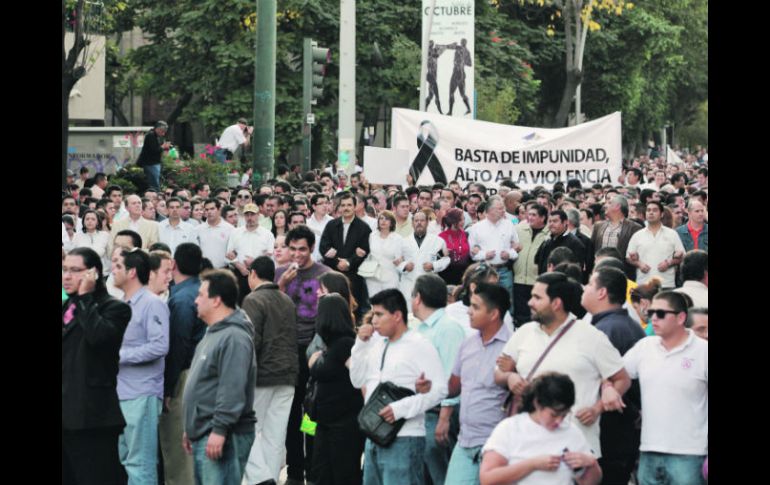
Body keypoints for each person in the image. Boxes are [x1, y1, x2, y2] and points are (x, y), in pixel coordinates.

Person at [495, 272, 631, 460]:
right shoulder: (524, 333)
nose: (529, 302)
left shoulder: (591, 336)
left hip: (576, 448)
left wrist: (597, 409)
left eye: (537, 297)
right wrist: (510, 378)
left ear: (556, 303)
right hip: (528, 446)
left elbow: (622, 379)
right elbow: (498, 373)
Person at [349, 289, 448, 485]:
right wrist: (360, 344)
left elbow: (440, 390)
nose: (374, 321)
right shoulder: (375, 344)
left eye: (379, 314)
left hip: (405, 438)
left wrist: (401, 409)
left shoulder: (419, 344)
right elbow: (357, 380)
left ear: (397, 315)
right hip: (373, 436)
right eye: (373, 314)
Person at [623, 291, 708, 485]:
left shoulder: (703, 352)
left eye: (661, 313)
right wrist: (610, 388)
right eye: (651, 312)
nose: (654, 318)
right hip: (649, 450)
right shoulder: (644, 347)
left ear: (680, 317)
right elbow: (617, 375)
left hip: (690, 454)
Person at [63, 247, 132, 485]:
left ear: (93, 273)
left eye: (75, 270)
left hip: (93, 417)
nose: (67, 276)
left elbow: (99, 337)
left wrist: (85, 298)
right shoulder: (66, 307)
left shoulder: (114, 308)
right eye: (64, 270)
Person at [182, 270, 257, 485]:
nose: (195, 300)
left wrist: (220, 430)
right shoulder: (212, 332)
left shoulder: (234, 337)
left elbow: (231, 388)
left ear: (216, 301)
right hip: (204, 431)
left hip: (222, 435)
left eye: (201, 295)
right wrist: (190, 428)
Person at [275, 225, 332, 484]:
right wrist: (283, 284)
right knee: (290, 414)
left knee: (309, 413)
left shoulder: (324, 274)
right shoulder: (280, 274)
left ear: (311, 249)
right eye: (293, 249)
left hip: (312, 351)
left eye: (302, 249)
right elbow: (271, 308)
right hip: (287, 352)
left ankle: (311, 469)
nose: (297, 254)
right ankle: (295, 470)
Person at [442, 282, 512, 485]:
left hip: (497, 445)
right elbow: (453, 388)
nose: (469, 312)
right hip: (465, 441)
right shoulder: (468, 344)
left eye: (476, 307)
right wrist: (429, 387)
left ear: (494, 314)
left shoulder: (513, 347)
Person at [580, 267, 645, 484]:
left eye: (589, 284)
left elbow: (613, 381)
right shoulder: (623, 325)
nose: (584, 288)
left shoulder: (608, 331)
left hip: (611, 435)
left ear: (602, 293)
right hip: (622, 436)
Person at [479, 373, 602, 485]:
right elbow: (488, 479)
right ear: (538, 404)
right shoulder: (510, 428)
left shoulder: (572, 431)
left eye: (564, 415)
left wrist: (590, 464)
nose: (559, 421)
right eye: (553, 415)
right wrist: (533, 464)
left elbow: (591, 482)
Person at [113, 248, 170, 485]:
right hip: (121, 392)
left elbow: (159, 346)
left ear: (132, 272)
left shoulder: (152, 303)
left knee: (141, 464)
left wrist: (120, 356)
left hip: (142, 393)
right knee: (125, 459)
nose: (113, 271)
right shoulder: (120, 304)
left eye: (117, 266)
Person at [242, 257, 299, 485]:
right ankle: (271, 478)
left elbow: (251, 341)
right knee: (276, 435)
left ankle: (259, 479)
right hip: (287, 373)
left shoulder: (253, 300)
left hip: (261, 375)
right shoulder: (286, 300)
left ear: (253, 273)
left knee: (248, 430)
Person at [409, 273, 466, 485]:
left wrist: (443, 419)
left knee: (441, 474)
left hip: (440, 413)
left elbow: (452, 376)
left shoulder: (447, 328)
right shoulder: (422, 328)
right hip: (423, 411)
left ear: (418, 298)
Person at [159, 243, 208, 485]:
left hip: (185, 375)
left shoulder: (181, 299)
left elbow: (178, 345)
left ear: (174, 265)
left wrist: (168, 388)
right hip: (204, 373)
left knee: (179, 449)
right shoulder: (202, 290)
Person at [307, 294, 366, 485]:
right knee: (320, 472)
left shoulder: (346, 345)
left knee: (343, 474)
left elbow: (360, 377)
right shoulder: (330, 345)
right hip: (322, 421)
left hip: (343, 424)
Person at [320, 191, 373, 322]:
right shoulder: (332, 225)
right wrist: (337, 262)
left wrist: (349, 262)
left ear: (355, 207)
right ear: (339, 208)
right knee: (331, 308)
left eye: (349, 205)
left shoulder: (363, 228)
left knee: (352, 309)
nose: (346, 208)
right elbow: (324, 247)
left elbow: (365, 251)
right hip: (333, 273)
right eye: (343, 205)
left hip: (354, 276)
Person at [468, 195, 520, 310]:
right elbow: (472, 254)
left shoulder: (509, 225)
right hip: (484, 270)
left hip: (504, 271)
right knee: (485, 302)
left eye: (503, 208)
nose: (503, 211)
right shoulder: (477, 228)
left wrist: (509, 254)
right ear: (490, 210)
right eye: (500, 208)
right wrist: (484, 255)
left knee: (507, 302)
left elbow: (516, 248)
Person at [626, 200, 685, 289]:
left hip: (666, 284)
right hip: (644, 283)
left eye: (654, 210)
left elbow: (682, 256)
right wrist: (639, 264)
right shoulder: (637, 235)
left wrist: (669, 263)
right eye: (648, 210)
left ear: (661, 214)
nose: (651, 213)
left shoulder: (672, 234)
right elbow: (628, 257)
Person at [226, 203, 275, 305]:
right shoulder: (236, 233)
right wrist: (240, 267)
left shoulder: (267, 234)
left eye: (252, 214)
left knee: (259, 303)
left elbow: (271, 255)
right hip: (240, 273)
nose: (249, 218)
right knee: (240, 303)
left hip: (260, 274)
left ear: (258, 215)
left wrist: (255, 262)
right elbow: (229, 254)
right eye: (247, 215)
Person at [512, 204, 549, 326]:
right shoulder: (519, 230)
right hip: (519, 280)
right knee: (520, 318)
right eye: (529, 214)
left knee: (535, 317)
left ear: (543, 218)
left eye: (534, 215)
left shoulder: (549, 234)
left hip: (537, 282)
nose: (530, 217)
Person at [590, 195, 643, 281]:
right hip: (599, 272)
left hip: (623, 274)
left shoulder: (634, 228)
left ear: (617, 206)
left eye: (609, 203)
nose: (605, 205)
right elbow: (591, 250)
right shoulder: (598, 226)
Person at [364, 210, 409, 297]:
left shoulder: (398, 238)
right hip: (373, 277)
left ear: (392, 223)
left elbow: (399, 258)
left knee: (389, 304)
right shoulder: (372, 236)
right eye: (381, 218)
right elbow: (368, 255)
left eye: (387, 219)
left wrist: (401, 259)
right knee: (374, 303)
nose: (383, 221)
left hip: (390, 277)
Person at [195, 198, 235, 269]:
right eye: (207, 210)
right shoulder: (198, 230)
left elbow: (234, 251)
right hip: (203, 270)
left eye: (212, 209)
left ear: (219, 210)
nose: (209, 212)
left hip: (223, 270)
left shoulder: (230, 229)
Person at [438, 208, 471, 285]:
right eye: (460, 220)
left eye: (464, 219)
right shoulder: (441, 236)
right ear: (453, 220)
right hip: (447, 274)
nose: (463, 222)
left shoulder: (466, 234)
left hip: (464, 273)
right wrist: (442, 253)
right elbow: (436, 256)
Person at [136, 121, 171, 191]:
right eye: (162, 131)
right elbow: (154, 149)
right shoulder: (151, 136)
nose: (163, 134)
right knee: (154, 183)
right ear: (157, 129)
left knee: (155, 181)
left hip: (153, 163)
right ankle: (156, 195)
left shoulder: (155, 136)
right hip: (150, 163)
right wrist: (163, 147)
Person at [446, 38, 473, 116]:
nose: (461, 43)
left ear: (464, 43)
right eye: (461, 42)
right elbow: (470, 63)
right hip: (461, 74)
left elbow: (470, 64)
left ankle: (450, 112)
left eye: (462, 42)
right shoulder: (466, 51)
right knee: (462, 94)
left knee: (451, 92)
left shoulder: (462, 50)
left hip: (457, 73)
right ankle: (468, 109)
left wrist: (463, 62)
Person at [425, 40, 449, 114]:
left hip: (434, 76)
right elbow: (436, 54)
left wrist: (439, 46)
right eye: (430, 44)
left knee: (431, 95)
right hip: (429, 74)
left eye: (432, 44)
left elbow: (442, 49)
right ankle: (440, 112)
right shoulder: (428, 52)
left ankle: (424, 108)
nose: (431, 45)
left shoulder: (434, 52)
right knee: (436, 93)